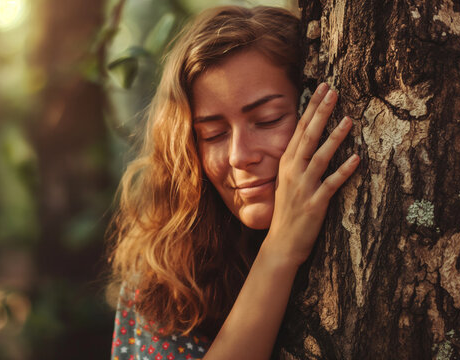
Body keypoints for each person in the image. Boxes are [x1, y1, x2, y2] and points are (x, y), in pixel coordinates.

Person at [107, 5, 360, 360]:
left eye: (268, 120)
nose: (239, 156)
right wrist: (280, 250)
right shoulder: (165, 277)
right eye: (213, 134)